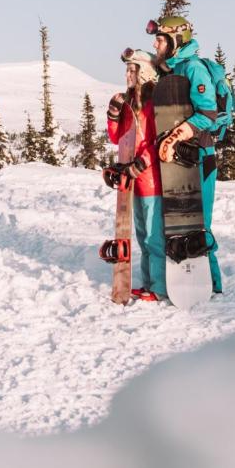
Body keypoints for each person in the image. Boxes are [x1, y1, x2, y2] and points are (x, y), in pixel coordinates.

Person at [147, 15, 224, 295]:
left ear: (176, 40)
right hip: (178, 159)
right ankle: (181, 282)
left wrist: (177, 136)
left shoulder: (193, 69)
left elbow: (208, 113)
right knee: (179, 220)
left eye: (160, 39)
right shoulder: (170, 72)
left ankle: (212, 284)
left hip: (201, 155)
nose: (156, 45)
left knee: (199, 221)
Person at [105, 49, 167, 302]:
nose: (128, 74)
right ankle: (148, 283)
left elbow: (159, 140)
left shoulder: (153, 105)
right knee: (142, 235)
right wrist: (113, 114)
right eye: (127, 70)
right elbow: (117, 137)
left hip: (151, 179)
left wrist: (143, 162)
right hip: (132, 179)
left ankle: (160, 287)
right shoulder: (130, 102)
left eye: (133, 70)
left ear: (145, 73)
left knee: (154, 236)